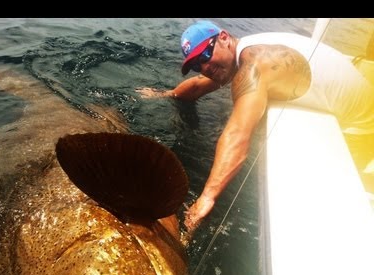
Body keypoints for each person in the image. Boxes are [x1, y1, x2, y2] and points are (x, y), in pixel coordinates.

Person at [137, 20, 374, 232]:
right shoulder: (245, 50)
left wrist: (205, 200)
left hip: (362, 130)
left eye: (206, 55)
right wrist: (166, 94)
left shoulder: (254, 66)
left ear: (224, 37)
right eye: (197, 64)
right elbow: (199, 85)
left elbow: (237, 134)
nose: (205, 67)